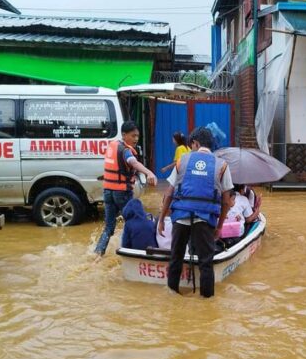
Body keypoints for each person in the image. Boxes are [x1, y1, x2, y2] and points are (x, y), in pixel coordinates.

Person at [158, 127, 233, 298]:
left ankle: (172, 297)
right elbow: (226, 201)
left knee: (175, 258)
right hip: (205, 219)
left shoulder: (182, 161)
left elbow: (169, 193)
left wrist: (162, 219)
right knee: (206, 263)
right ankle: (207, 305)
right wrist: (219, 226)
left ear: (195, 143)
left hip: (180, 217)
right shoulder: (221, 165)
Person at [94, 121, 157, 256]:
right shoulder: (126, 151)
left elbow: (115, 168)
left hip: (108, 192)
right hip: (121, 192)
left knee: (109, 227)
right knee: (136, 222)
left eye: (137, 136)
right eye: (133, 136)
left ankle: (98, 253)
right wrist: (149, 172)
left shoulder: (113, 146)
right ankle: (133, 253)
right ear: (124, 135)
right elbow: (132, 162)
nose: (135, 139)